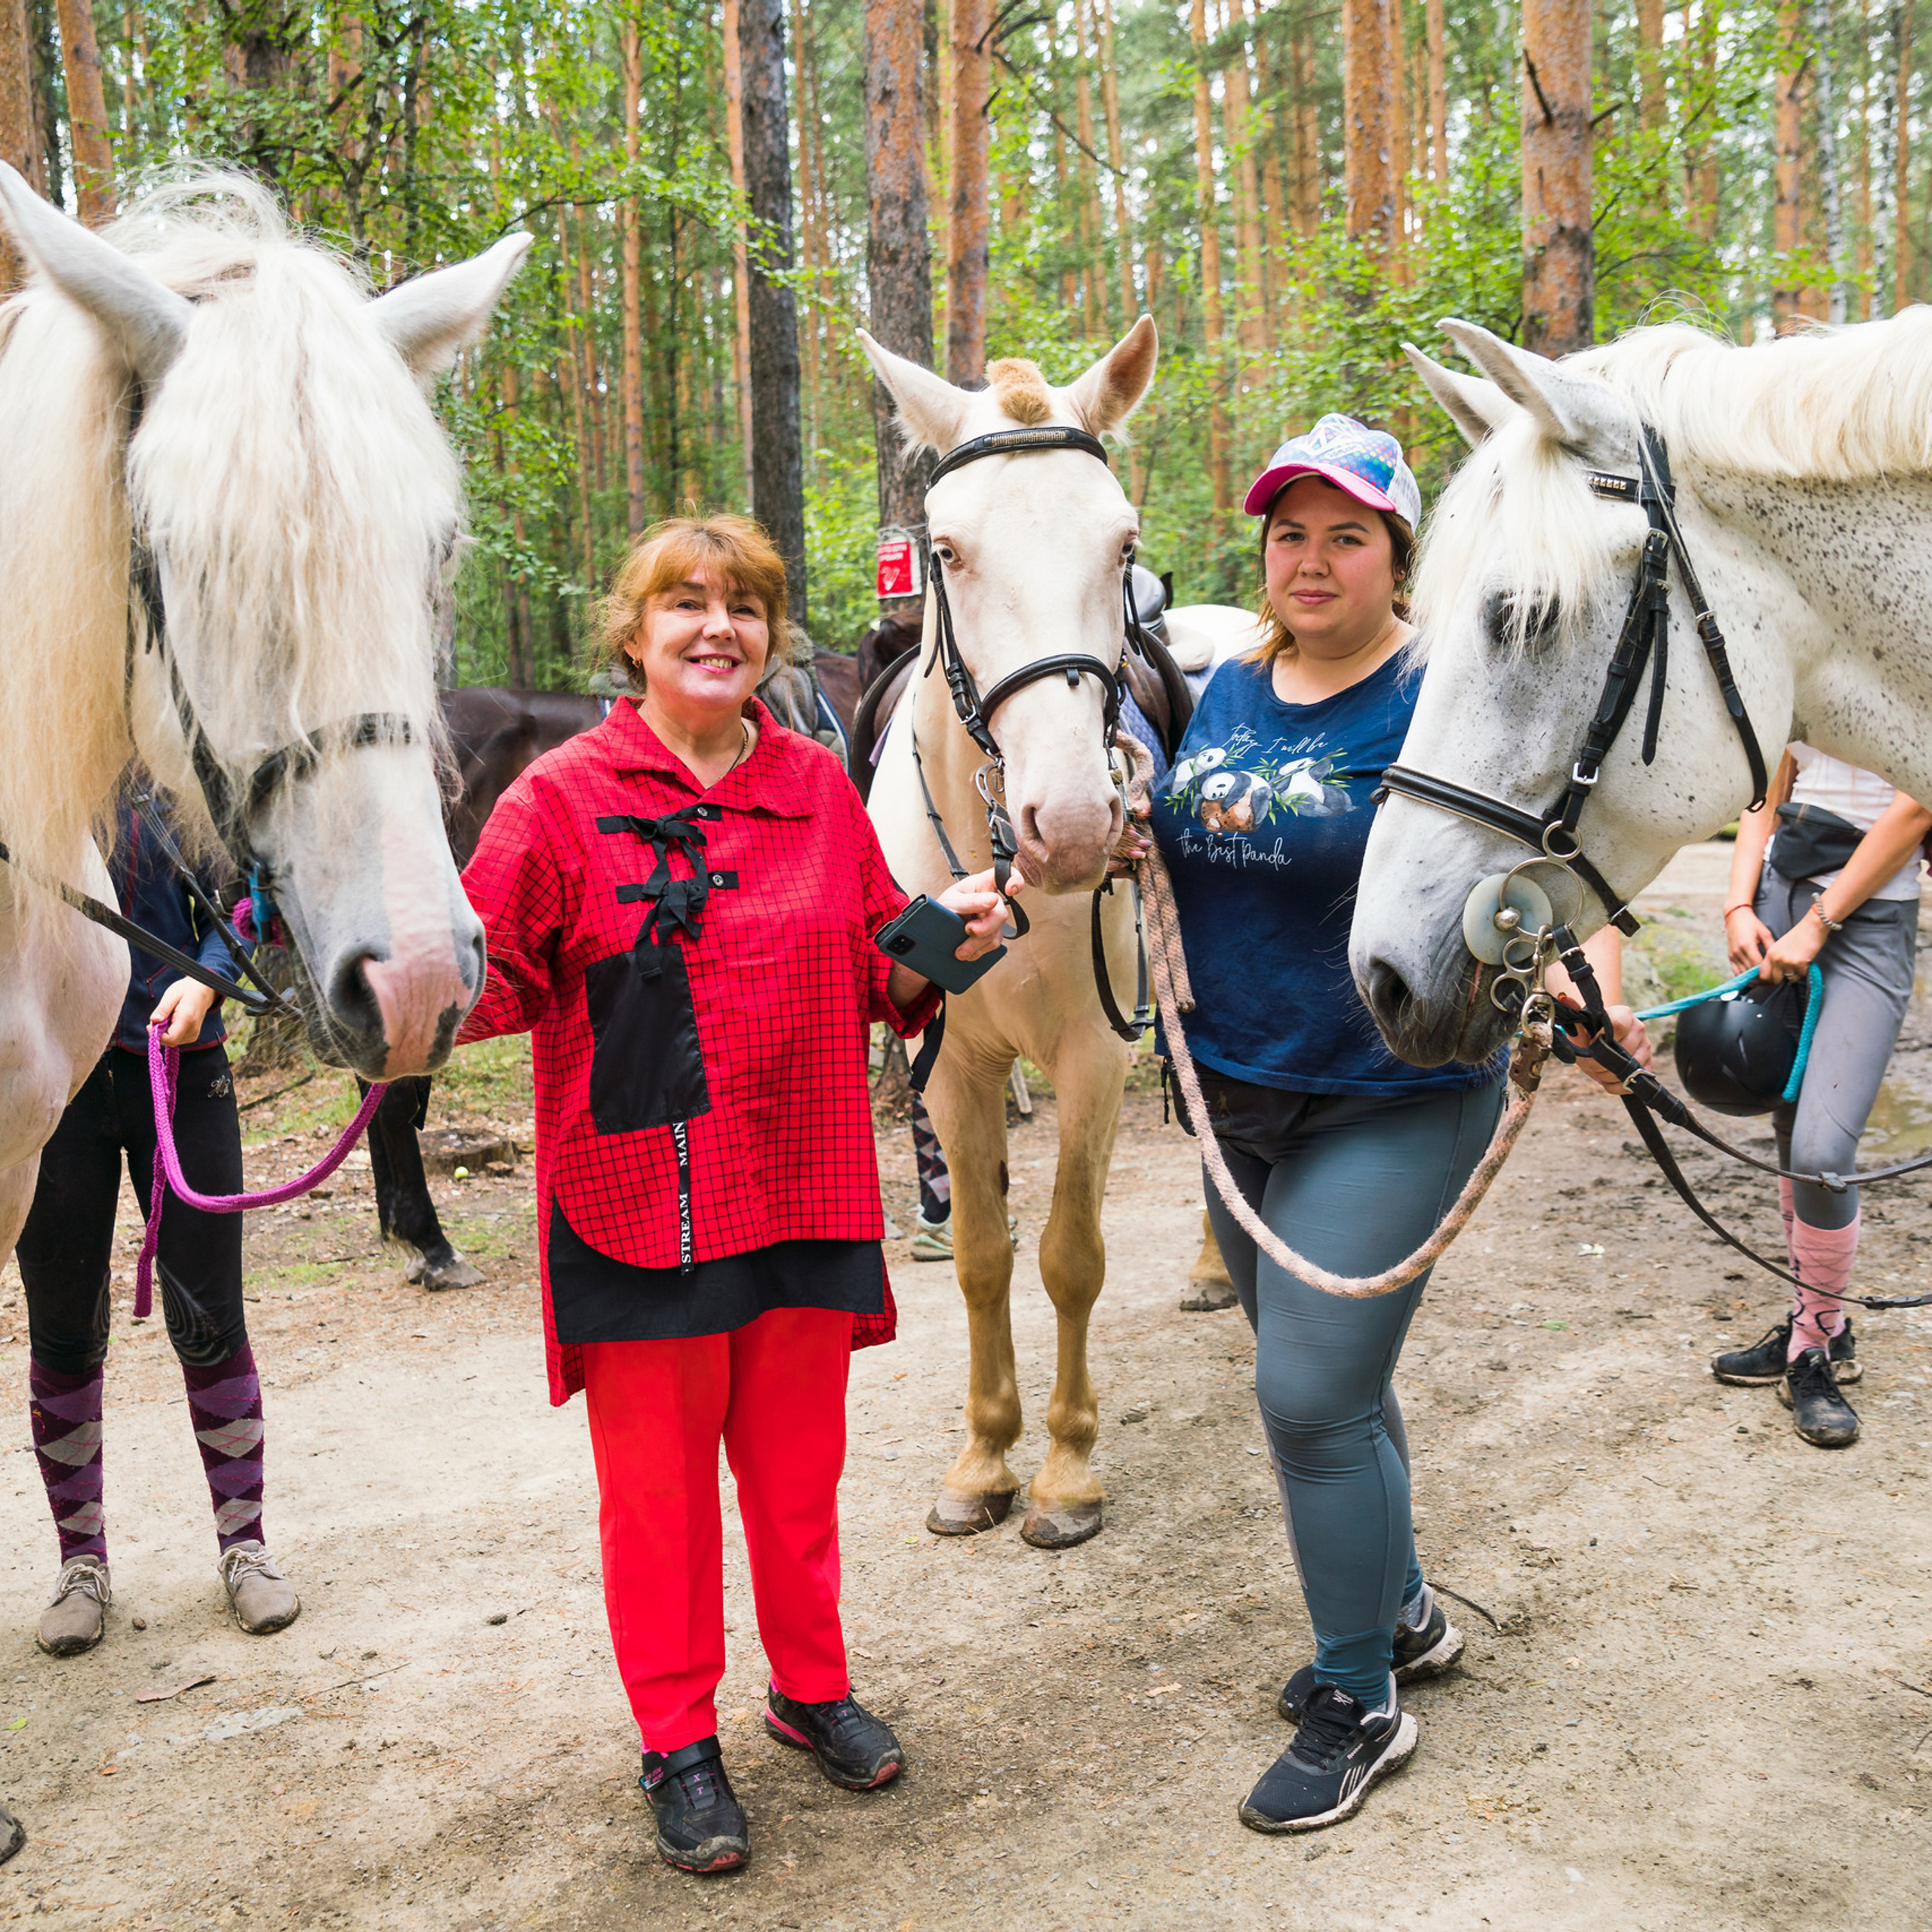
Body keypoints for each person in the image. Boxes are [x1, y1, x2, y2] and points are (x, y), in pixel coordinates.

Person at [455, 515, 1013, 1877]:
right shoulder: (557, 799)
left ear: (769, 636)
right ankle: (678, 1740)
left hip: (802, 1179)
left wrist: (951, 938)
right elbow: (482, 984)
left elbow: (880, 967)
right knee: (657, 1503)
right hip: (636, 1201)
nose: (719, 628)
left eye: (746, 607)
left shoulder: (814, 786)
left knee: (797, 1477)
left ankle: (810, 1689)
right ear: (633, 633)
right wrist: (364, 981)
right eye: (686, 603)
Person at [1142, 417, 1648, 1835]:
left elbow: (1559, 841)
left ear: (1399, 555)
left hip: (1394, 1093)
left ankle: (1358, 1696)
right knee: (1340, 1385)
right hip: (1233, 1091)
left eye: (1346, 536)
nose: (1311, 561)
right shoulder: (1226, 683)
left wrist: (1595, 981)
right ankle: (1405, 1611)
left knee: (1308, 1396)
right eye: (1289, 534)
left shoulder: (1442, 691)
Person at [17, 791, 300, 1657]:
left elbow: (244, 904)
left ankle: (245, 1546)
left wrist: (205, 980)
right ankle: (80, 1565)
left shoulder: (176, 777)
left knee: (211, 1318)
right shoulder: (27, 779)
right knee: (63, 1330)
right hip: (53, 1083)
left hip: (183, 1068)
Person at [1711, 746, 1930, 1445]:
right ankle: (1821, 1330)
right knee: (1788, 1117)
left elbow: (1918, 803)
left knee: (1823, 1151)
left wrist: (1817, 924)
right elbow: (1768, 788)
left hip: (1867, 920)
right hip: (1777, 900)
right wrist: (1738, 904)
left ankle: (1810, 1348)